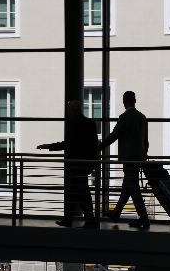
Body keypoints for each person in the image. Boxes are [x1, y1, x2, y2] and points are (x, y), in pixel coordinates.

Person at [37, 100, 98, 229]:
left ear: (73, 110)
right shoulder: (90, 124)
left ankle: (83, 220)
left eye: (68, 110)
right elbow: (94, 145)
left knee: (79, 192)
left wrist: (49, 146)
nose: (67, 112)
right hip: (86, 163)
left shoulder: (74, 124)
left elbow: (68, 144)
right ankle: (72, 219)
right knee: (76, 191)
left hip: (77, 163)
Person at [98, 91, 150, 228]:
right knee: (127, 187)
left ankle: (143, 217)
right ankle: (116, 213)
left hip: (128, 158)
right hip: (139, 158)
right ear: (135, 100)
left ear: (124, 101)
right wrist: (143, 156)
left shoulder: (124, 117)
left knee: (133, 187)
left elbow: (113, 136)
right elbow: (146, 141)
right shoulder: (142, 117)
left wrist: (98, 148)